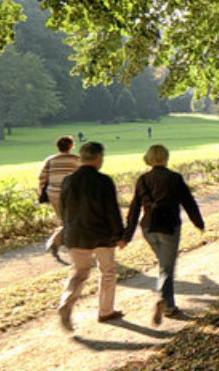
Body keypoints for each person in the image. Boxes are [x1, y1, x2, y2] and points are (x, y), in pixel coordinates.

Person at [122, 144, 204, 326]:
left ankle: (168, 303)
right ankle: (165, 302)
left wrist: (127, 236)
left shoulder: (142, 180)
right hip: (169, 228)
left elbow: (134, 208)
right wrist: (198, 223)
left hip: (148, 229)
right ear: (166, 157)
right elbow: (189, 202)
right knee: (167, 268)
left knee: (164, 265)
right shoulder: (174, 178)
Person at [56, 141, 126, 331]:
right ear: (98, 158)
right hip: (102, 235)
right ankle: (105, 311)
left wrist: (66, 231)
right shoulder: (104, 181)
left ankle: (66, 302)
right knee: (108, 272)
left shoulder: (68, 180)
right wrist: (120, 234)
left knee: (79, 273)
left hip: (76, 235)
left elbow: (63, 210)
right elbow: (112, 211)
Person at [37, 136, 80, 263]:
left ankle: (68, 245)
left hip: (53, 193)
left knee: (63, 220)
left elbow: (41, 178)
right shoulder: (76, 160)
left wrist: (42, 193)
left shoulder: (50, 160)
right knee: (73, 220)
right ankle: (55, 243)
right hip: (71, 194)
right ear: (71, 146)